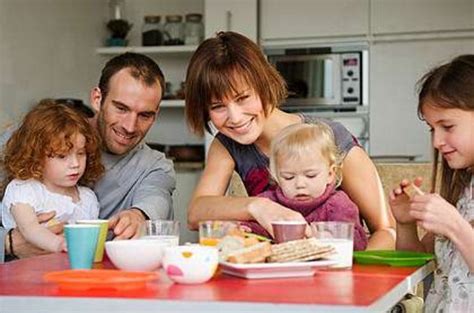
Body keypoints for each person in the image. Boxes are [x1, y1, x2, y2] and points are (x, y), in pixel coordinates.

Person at [184, 31, 394, 249]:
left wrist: (353, 272)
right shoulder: (227, 144)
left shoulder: (330, 136)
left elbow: (386, 229)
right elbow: (196, 212)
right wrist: (258, 207)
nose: (235, 118)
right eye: (218, 106)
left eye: (243, 98)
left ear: (264, 84)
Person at [1, 52, 176, 261]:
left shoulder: (155, 167)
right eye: (121, 108)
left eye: (144, 115)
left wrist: (138, 216)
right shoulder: (31, 136)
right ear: (97, 98)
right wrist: (9, 243)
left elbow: (156, 200)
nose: (130, 126)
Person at [389, 54, 474, 312]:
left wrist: (456, 226)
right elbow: (416, 264)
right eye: (432, 129)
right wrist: (405, 225)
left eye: (447, 126)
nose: (437, 141)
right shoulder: (462, 190)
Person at [241, 123, 368, 250]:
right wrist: (247, 231)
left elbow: (358, 243)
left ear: (330, 174)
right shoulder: (269, 203)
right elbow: (258, 233)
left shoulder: (339, 205)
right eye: (288, 177)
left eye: (310, 175)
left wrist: (324, 236)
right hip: (281, 268)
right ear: (276, 177)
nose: (300, 185)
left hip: (327, 267)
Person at [1, 100, 104, 252]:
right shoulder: (24, 190)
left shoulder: (87, 198)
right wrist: (59, 245)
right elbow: (30, 229)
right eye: (62, 156)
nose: (75, 163)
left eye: (81, 153)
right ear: (36, 156)